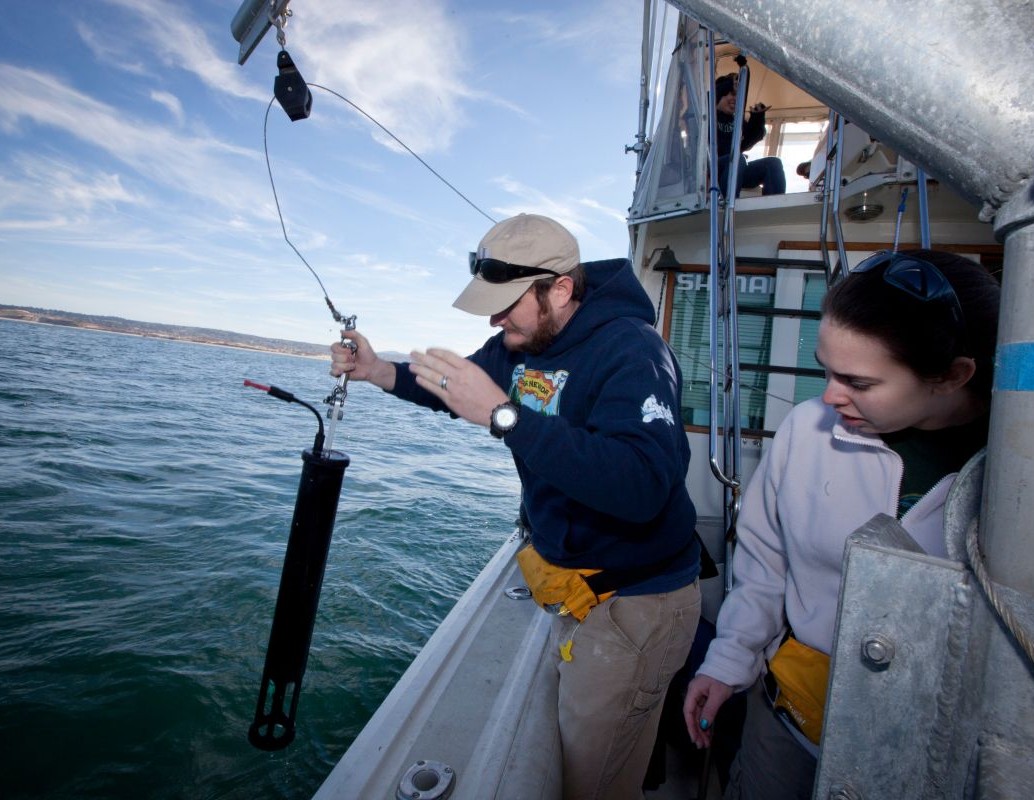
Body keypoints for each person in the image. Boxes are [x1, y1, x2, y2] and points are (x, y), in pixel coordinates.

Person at [330, 213, 703, 799]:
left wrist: (506, 417)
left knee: (593, 781)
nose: (494, 317)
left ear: (560, 288)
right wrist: (377, 371)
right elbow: (463, 388)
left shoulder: (633, 350)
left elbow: (644, 485)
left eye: (507, 302)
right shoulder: (524, 340)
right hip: (573, 583)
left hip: (637, 601)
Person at [681, 249, 1001, 799]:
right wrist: (728, 659)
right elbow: (765, 565)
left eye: (858, 381)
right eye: (825, 370)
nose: (829, 396)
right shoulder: (808, 431)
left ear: (953, 375)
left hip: (928, 759)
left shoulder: (1013, 475)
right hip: (789, 727)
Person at [715, 74, 785, 197]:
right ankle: (726, 205)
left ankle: (773, 212)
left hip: (735, 169)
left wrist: (758, 117)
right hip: (713, 168)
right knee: (737, 159)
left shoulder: (736, 120)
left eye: (738, 95)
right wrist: (729, 84)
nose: (735, 98)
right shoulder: (706, 114)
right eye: (731, 93)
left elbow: (750, 140)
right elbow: (711, 96)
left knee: (773, 163)